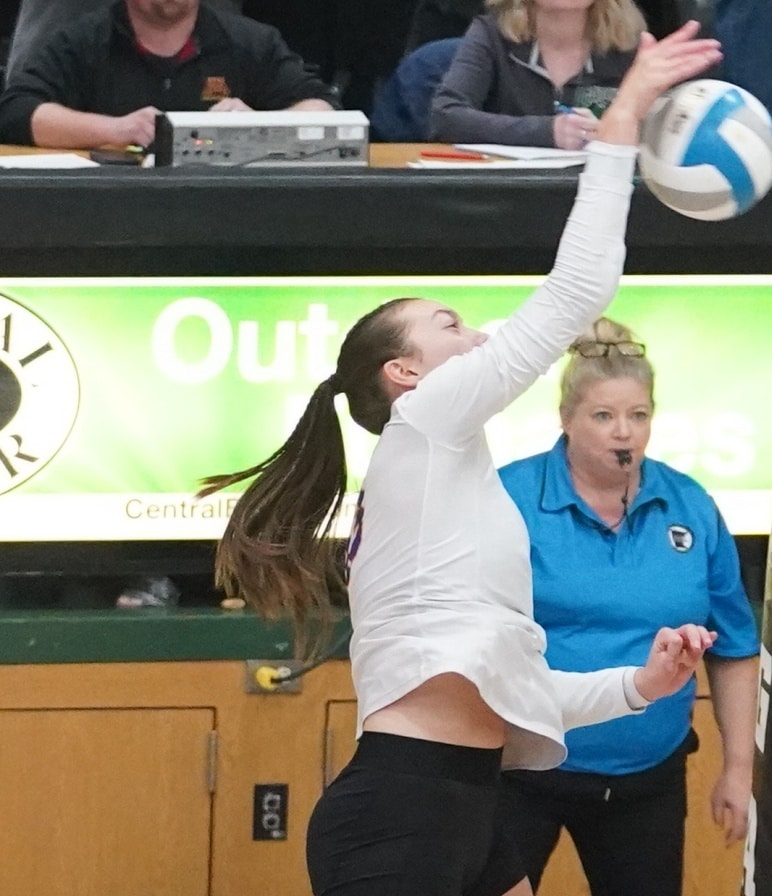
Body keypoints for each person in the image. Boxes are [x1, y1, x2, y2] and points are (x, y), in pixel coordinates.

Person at [197, 21, 723, 896]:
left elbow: (522, 693)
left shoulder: (451, 482)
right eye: (449, 325)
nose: (475, 335)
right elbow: (577, 292)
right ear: (404, 374)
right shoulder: (424, 423)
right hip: (400, 812)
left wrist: (640, 683)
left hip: (467, 805)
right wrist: (626, 113)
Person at [496, 316, 759, 896]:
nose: (624, 433)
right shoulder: (507, 496)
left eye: (638, 416)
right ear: (565, 418)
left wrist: (738, 769)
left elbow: (735, 647)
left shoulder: (690, 504)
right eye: (603, 416)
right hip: (518, 770)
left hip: (647, 778)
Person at [0, 0, 339, 149]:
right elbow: (15, 113)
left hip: (227, 213)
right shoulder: (82, 42)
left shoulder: (250, 43)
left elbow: (324, 108)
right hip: (108, 212)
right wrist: (117, 130)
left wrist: (257, 126)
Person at [428, 0, 648, 149]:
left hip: (603, 189)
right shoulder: (491, 34)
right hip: (510, 192)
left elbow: (659, 133)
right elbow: (446, 116)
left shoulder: (630, 45)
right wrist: (547, 132)